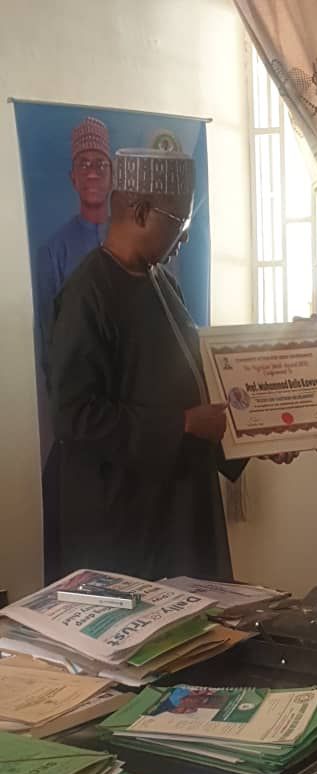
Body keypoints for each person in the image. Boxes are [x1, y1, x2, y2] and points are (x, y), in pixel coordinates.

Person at [47, 147, 244, 581]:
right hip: (124, 520)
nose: (185, 239)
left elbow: (191, 384)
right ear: (140, 212)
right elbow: (74, 416)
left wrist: (250, 437)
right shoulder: (87, 295)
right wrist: (181, 424)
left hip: (181, 508)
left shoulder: (161, 281)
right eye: (180, 223)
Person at [36, 117, 112, 583]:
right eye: (83, 163)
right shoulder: (55, 252)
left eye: (100, 163)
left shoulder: (131, 246)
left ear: (112, 173)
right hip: (81, 421)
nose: (92, 172)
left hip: (127, 421)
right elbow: (51, 342)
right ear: (72, 177)